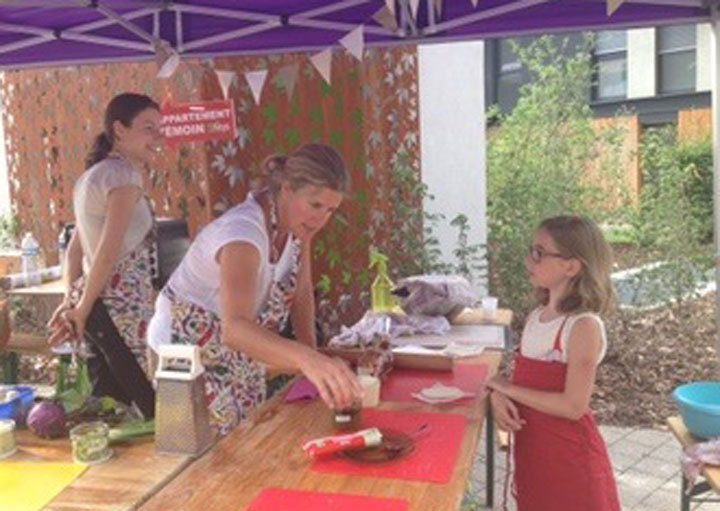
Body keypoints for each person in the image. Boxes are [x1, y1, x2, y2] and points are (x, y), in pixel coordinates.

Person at [148, 143, 362, 435]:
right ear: (286, 188)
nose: (321, 219)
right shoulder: (243, 234)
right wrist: (307, 360)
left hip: (234, 356)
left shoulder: (298, 228)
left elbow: (301, 293)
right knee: (199, 460)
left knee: (244, 443)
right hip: (183, 356)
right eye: (315, 205)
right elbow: (235, 329)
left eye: (330, 210)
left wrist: (312, 363)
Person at [487, 215, 621, 511]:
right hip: (534, 453)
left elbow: (574, 406)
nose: (528, 261)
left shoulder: (582, 326)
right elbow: (522, 381)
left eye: (539, 253)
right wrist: (499, 396)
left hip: (570, 462)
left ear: (571, 267)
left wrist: (506, 388)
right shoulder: (539, 316)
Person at [48, 93, 162, 418]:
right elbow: (107, 254)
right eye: (148, 128)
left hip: (98, 306)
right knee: (148, 404)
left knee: (112, 407)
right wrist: (80, 308)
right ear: (119, 129)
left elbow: (74, 252)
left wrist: (74, 300)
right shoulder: (123, 178)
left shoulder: (92, 176)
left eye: (160, 129)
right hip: (118, 308)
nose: (158, 137)